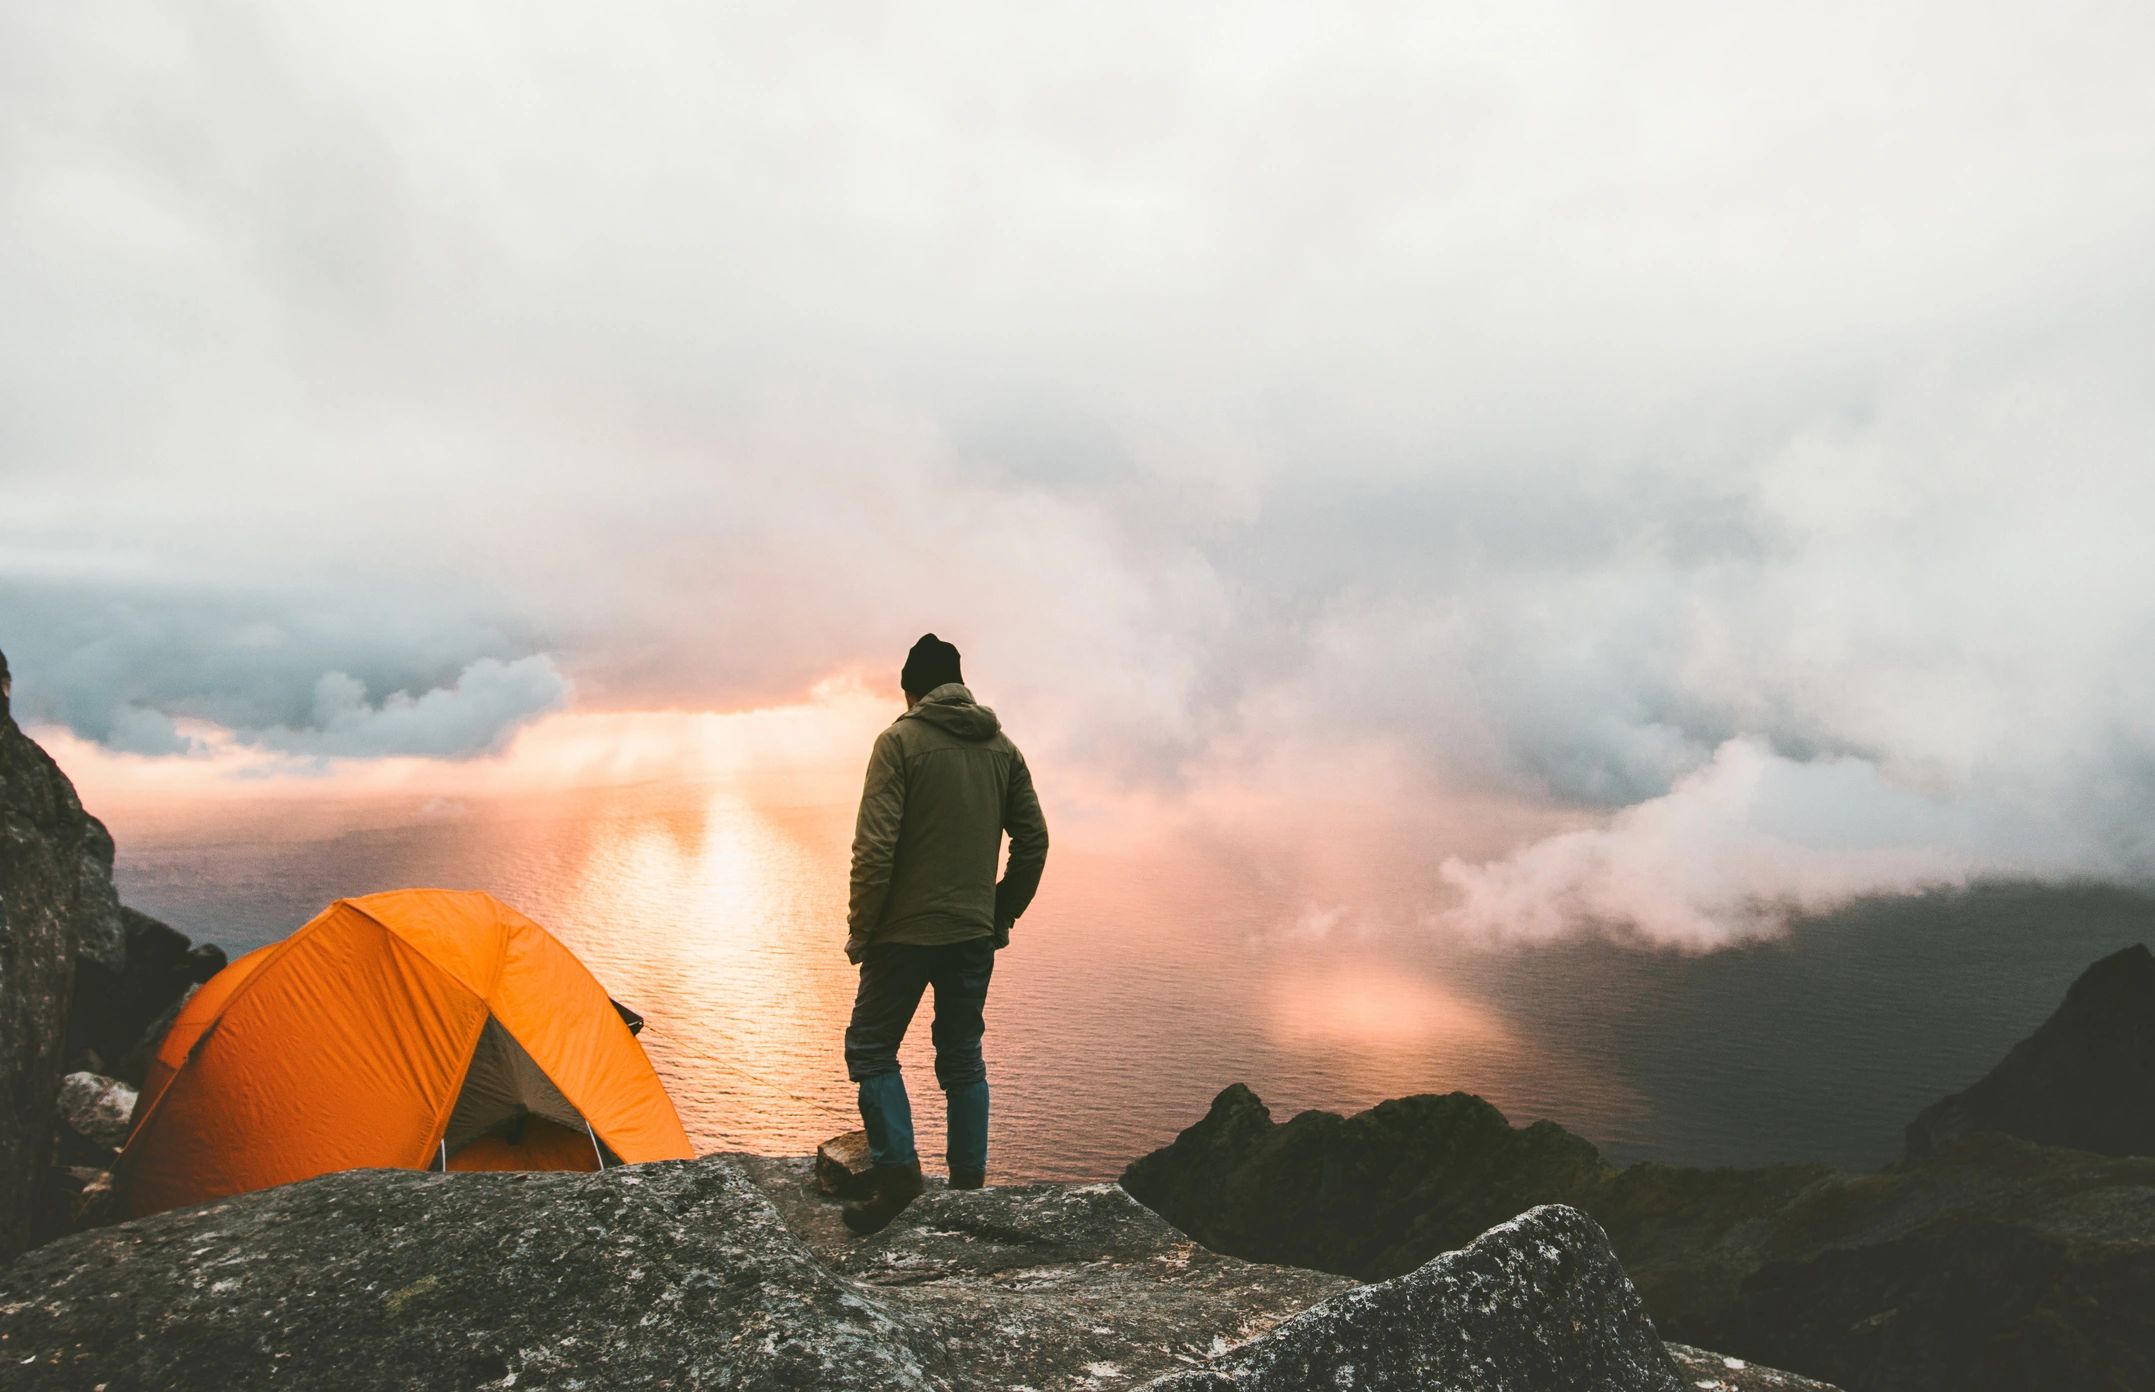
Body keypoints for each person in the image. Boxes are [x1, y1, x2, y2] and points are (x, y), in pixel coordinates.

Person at [839, 633, 1049, 1234]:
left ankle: (899, 1177)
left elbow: (873, 850)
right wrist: (998, 913)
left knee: (872, 1048)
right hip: (970, 936)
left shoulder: (898, 743)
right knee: (961, 1056)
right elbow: (1034, 841)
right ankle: (967, 1190)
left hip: (902, 935)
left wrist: (863, 929)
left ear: (912, 690)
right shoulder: (1002, 748)